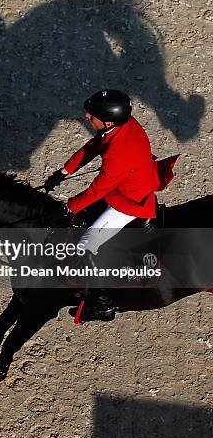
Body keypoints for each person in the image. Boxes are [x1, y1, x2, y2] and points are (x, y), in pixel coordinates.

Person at [44, 89, 160, 320]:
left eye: (91, 115)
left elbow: (98, 190)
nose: (86, 117)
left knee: (84, 247)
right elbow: (94, 145)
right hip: (128, 182)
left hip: (129, 201)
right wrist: (64, 171)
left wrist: (69, 206)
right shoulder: (121, 125)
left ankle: (102, 304)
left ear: (107, 121)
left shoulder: (119, 154)